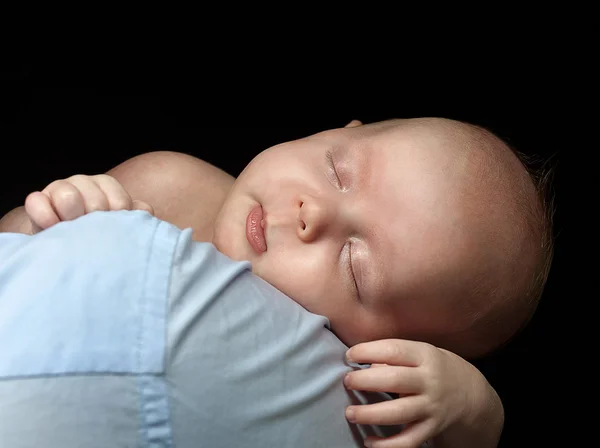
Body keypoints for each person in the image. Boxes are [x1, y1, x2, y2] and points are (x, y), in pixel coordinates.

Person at [0, 117, 552, 446]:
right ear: (338, 128)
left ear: (391, 349)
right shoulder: (170, 181)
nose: (313, 214)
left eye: (354, 264)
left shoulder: (349, 386)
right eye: (337, 171)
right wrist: (61, 213)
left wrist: (478, 411)